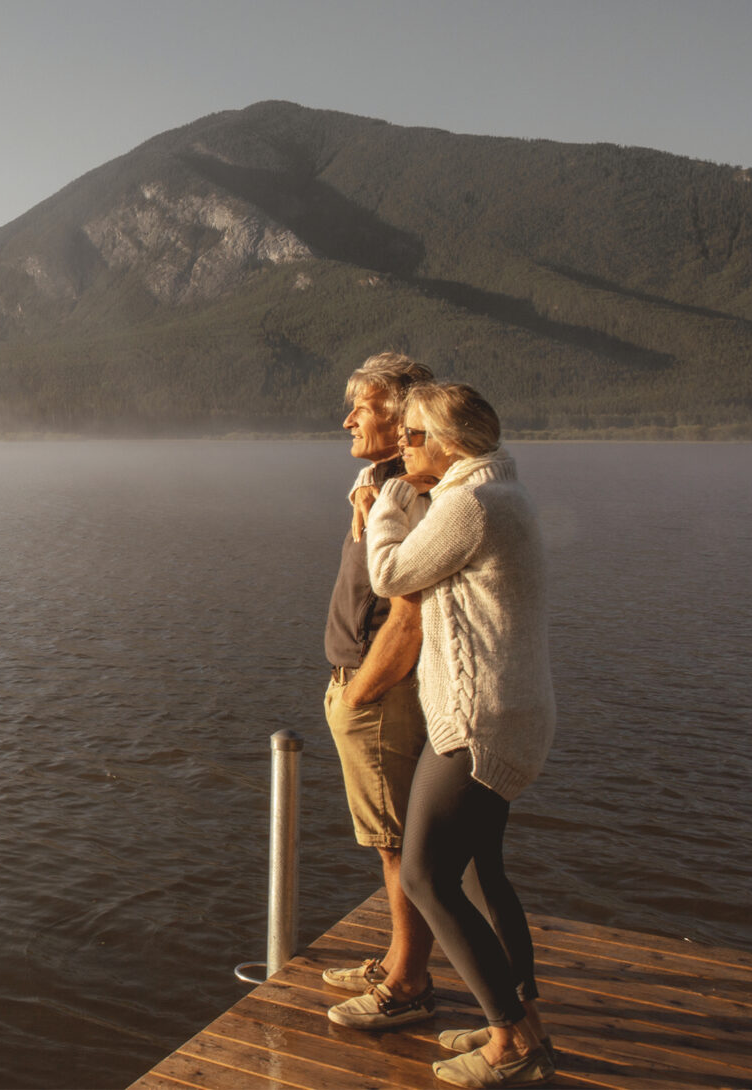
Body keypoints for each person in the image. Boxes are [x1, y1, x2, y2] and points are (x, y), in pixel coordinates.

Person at [363, 381, 558, 1088]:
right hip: (511, 712)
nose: (403, 448)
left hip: (479, 721)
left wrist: (384, 503)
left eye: (412, 437)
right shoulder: (500, 493)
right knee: (479, 873)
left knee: (423, 875)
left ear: (449, 442)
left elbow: (389, 572)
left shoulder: (469, 504)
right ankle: (519, 1015)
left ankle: (511, 1042)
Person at [316, 353, 443, 1031]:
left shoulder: (413, 493)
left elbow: (410, 614)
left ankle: (409, 982)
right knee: (387, 840)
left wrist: (361, 691)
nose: (347, 420)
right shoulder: (382, 485)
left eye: (361, 408)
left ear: (400, 418)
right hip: (363, 685)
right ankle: (398, 958)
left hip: (378, 691)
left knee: (397, 844)